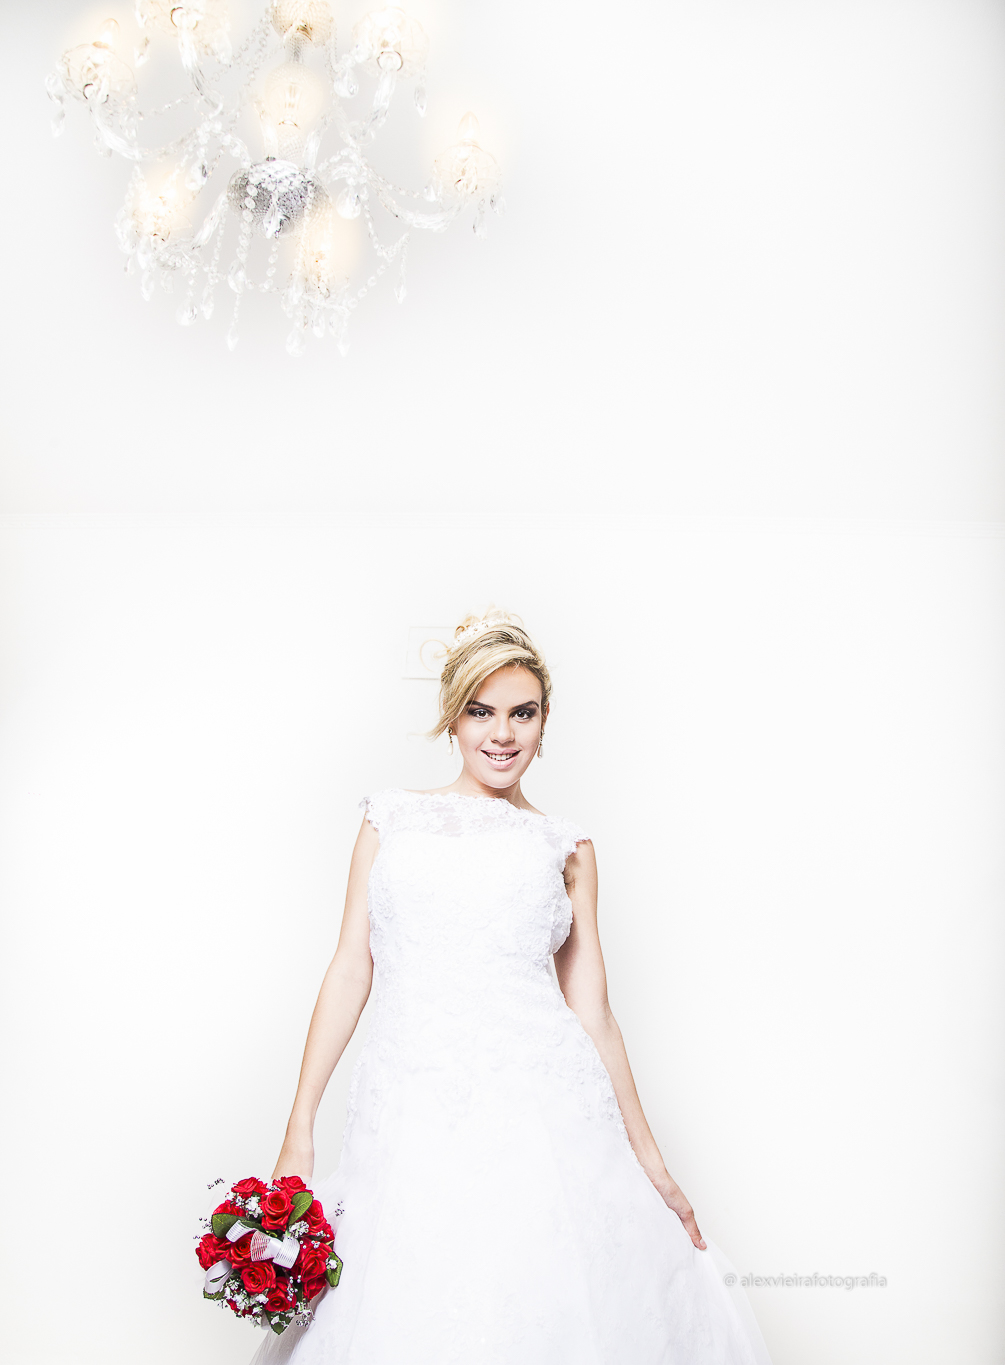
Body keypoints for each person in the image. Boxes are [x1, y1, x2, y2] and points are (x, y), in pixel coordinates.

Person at [252, 612, 771, 1364]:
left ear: (544, 720)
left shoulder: (567, 846)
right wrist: (298, 1127)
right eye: (480, 711)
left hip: (541, 1114)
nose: (502, 734)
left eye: (522, 713)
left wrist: (652, 1163)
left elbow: (593, 1012)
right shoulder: (389, 820)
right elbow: (350, 969)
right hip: (407, 1108)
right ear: (452, 717)